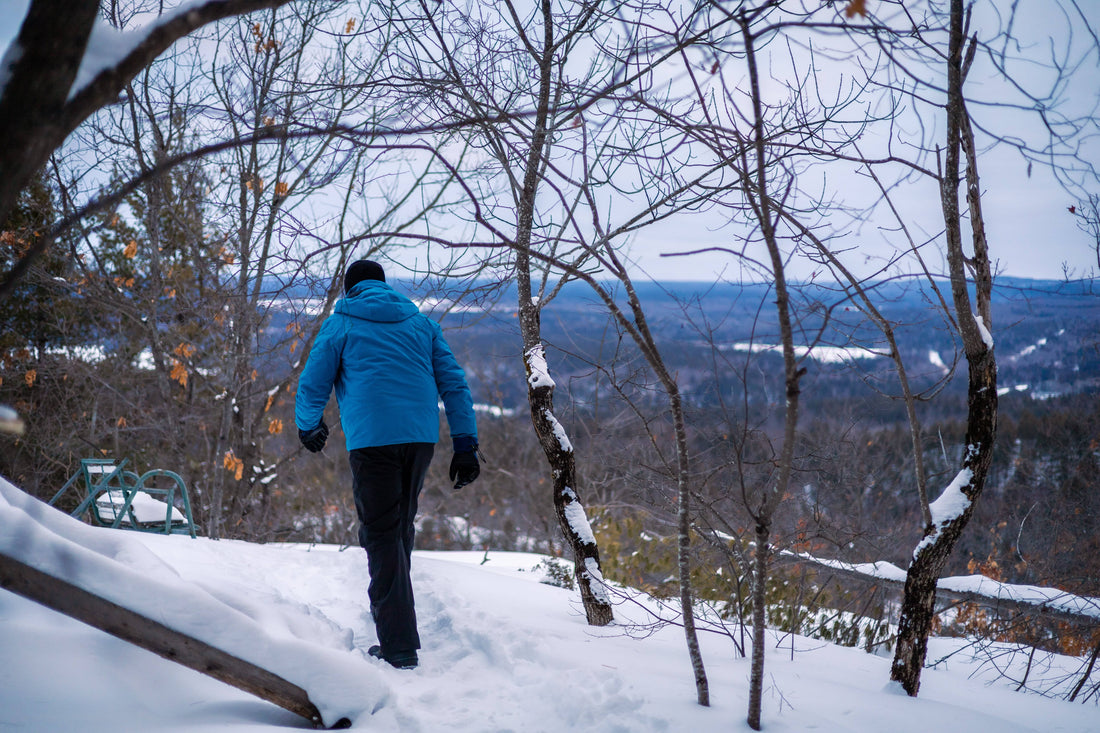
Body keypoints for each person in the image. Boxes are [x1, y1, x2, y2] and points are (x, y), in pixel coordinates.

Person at [295, 259, 480, 670]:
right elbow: (454, 383)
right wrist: (465, 444)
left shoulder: (341, 323)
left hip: (372, 439)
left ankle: (398, 646)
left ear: (350, 289)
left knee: (380, 534)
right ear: (384, 285)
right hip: (419, 439)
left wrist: (309, 426)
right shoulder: (421, 324)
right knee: (398, 529)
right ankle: (395, 622)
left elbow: (312, 382)